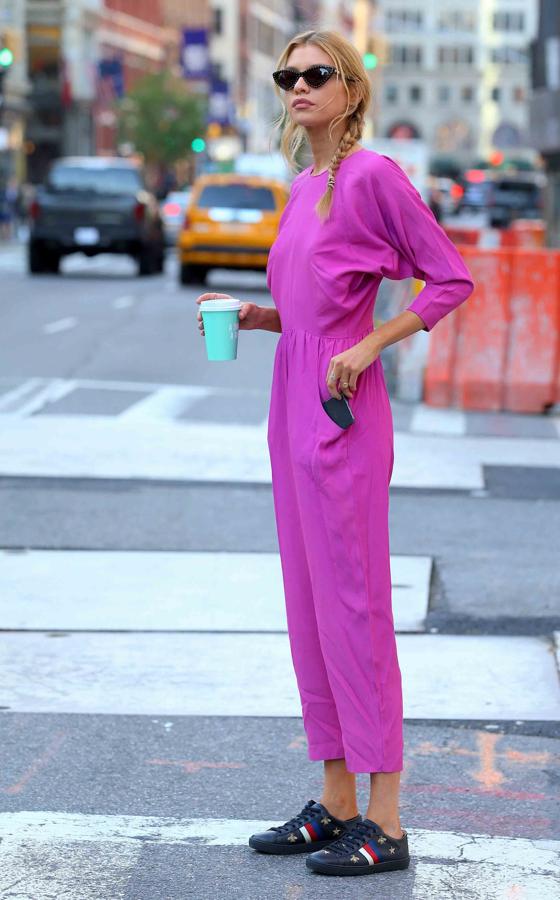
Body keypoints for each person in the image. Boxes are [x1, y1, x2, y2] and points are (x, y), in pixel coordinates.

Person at [195, 29, 474, 878]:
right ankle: (337, 802)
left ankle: (385, 821)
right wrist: (257, 315)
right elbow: (312, 309)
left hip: (342, 411)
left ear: (351, 89)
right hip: (289, 404)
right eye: (288, 77)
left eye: (316, 75)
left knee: (356, 613)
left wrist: (371, 346)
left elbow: (449, 279)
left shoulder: (373, 177)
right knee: (311, 613)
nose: (299, 87)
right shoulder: (305, 185)